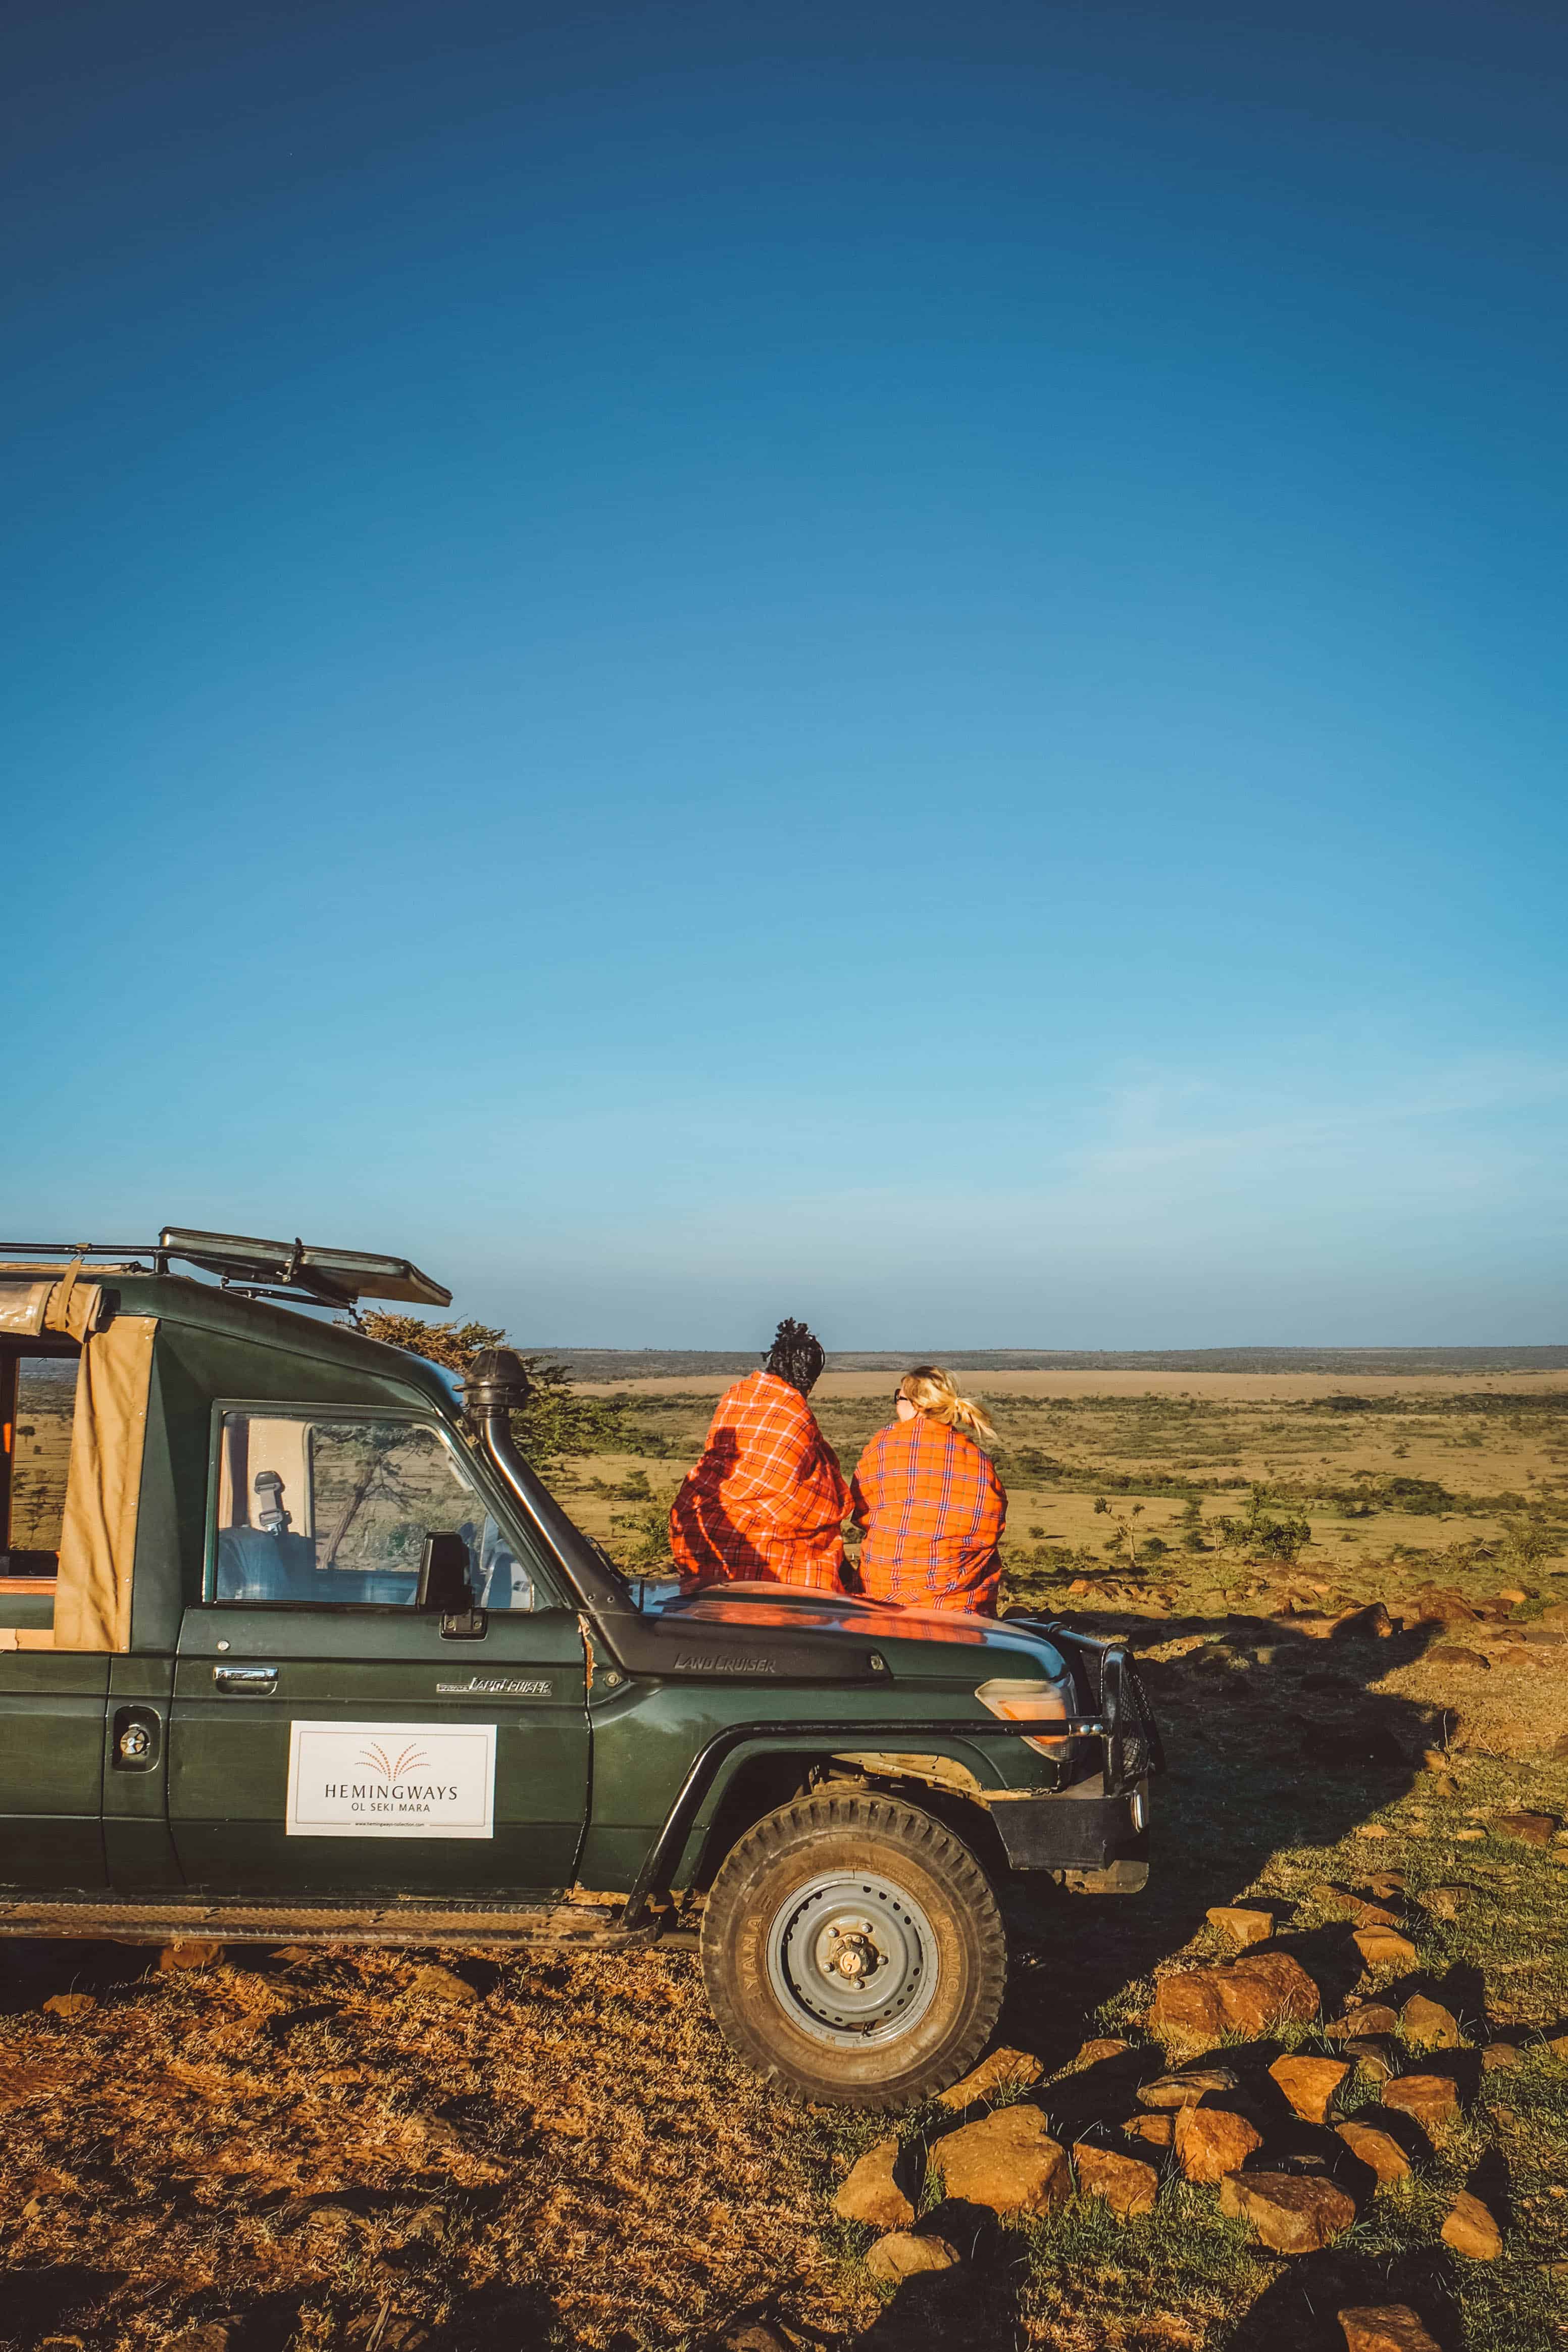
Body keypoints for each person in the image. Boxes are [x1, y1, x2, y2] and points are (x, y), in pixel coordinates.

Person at [668, 1318, 849, 1591]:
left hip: (702, 1523)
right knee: (815, 1534)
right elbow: (810, 1489)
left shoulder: (738, 1394)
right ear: (810, 1379)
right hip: (767, 1542)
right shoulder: (794, 1411)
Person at [848, 1366, 1006, 1614]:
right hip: (958, 1604)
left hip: (882, 1597)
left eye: (898, 1398)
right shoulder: (978, 1460)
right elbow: (991, 1528)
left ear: (915, 1405)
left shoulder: (886, 1444)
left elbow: (859, 1508)